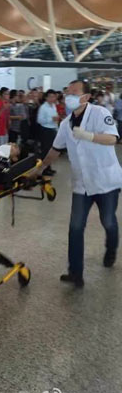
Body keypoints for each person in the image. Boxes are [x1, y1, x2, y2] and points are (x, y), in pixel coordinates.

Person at [32, 80, 122, 287]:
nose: (68, 96)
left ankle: (111, 250)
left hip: (105, 181)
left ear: (86, 97)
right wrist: (40, 168)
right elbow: (55, 149)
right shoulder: (66, 123)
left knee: (108, 221)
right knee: (75, 227)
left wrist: (88, 135)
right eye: (67, 92)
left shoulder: (99, 113)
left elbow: (112, 139)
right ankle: (75, 273)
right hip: (82, 184)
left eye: (74, 92)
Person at [37, 89, 59, 176]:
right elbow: (39, 120)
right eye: (50, 97)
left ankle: (49, 167)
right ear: (46, 98)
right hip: (46, 130)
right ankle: (44, 170)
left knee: (51, 151)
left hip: (53, 129)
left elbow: (55, 118)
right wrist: (51, 119)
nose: (52, 98)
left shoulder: (54, 106)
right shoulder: (43, 107)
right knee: (45, 151)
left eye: (54, 97)